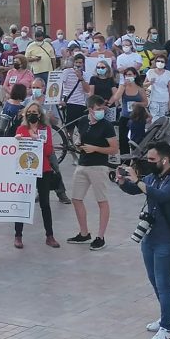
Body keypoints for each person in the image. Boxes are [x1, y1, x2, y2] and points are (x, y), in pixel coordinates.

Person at [116, 141, 170, 339]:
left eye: (152, 159)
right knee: (154, 280)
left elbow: (160, 196)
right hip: (149, 238)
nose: (149, 163)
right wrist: (122, 181)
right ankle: (169, 318)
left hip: (166, 240)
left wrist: (138, 181)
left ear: (165, 160)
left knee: (164, 284)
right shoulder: (152, 178)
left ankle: (166, 328)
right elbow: (135, 190)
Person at [68, 95, 118, 250]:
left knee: (101, 201)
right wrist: (78, 144)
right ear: (90, 109)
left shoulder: (107, 126)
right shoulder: (83, 121)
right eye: (98, 109)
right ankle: (84, 233)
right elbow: (80, 138)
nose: (101, 111)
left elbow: (114, 149)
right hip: (83, 163)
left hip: (98, 166)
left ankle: (100, 236)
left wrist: (95, 148)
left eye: (102, 108)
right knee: (76, 198)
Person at [13, 102, 59, 249]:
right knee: (22, 202)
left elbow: (49, 151)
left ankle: (50, 235)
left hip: (43, 169)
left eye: (34, 112)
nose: (31, 114)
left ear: (39, 114)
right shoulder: (21, 129)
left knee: (45, 203)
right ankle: (18, 235)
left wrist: (37, 140)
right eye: (29, 112)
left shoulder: (45, 130)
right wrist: (18, 141)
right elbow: (15, 150)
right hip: (25, 170)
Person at [145, 53, 170, 118]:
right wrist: (150, 83)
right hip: (153, 99)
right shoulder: (150, 72)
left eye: (162, 61)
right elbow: (144, 85)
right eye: (158, 61)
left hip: (164, 99)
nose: (160, 63)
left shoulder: (168, 73)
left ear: (165, 63)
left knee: (163, 118)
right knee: (154, 118)